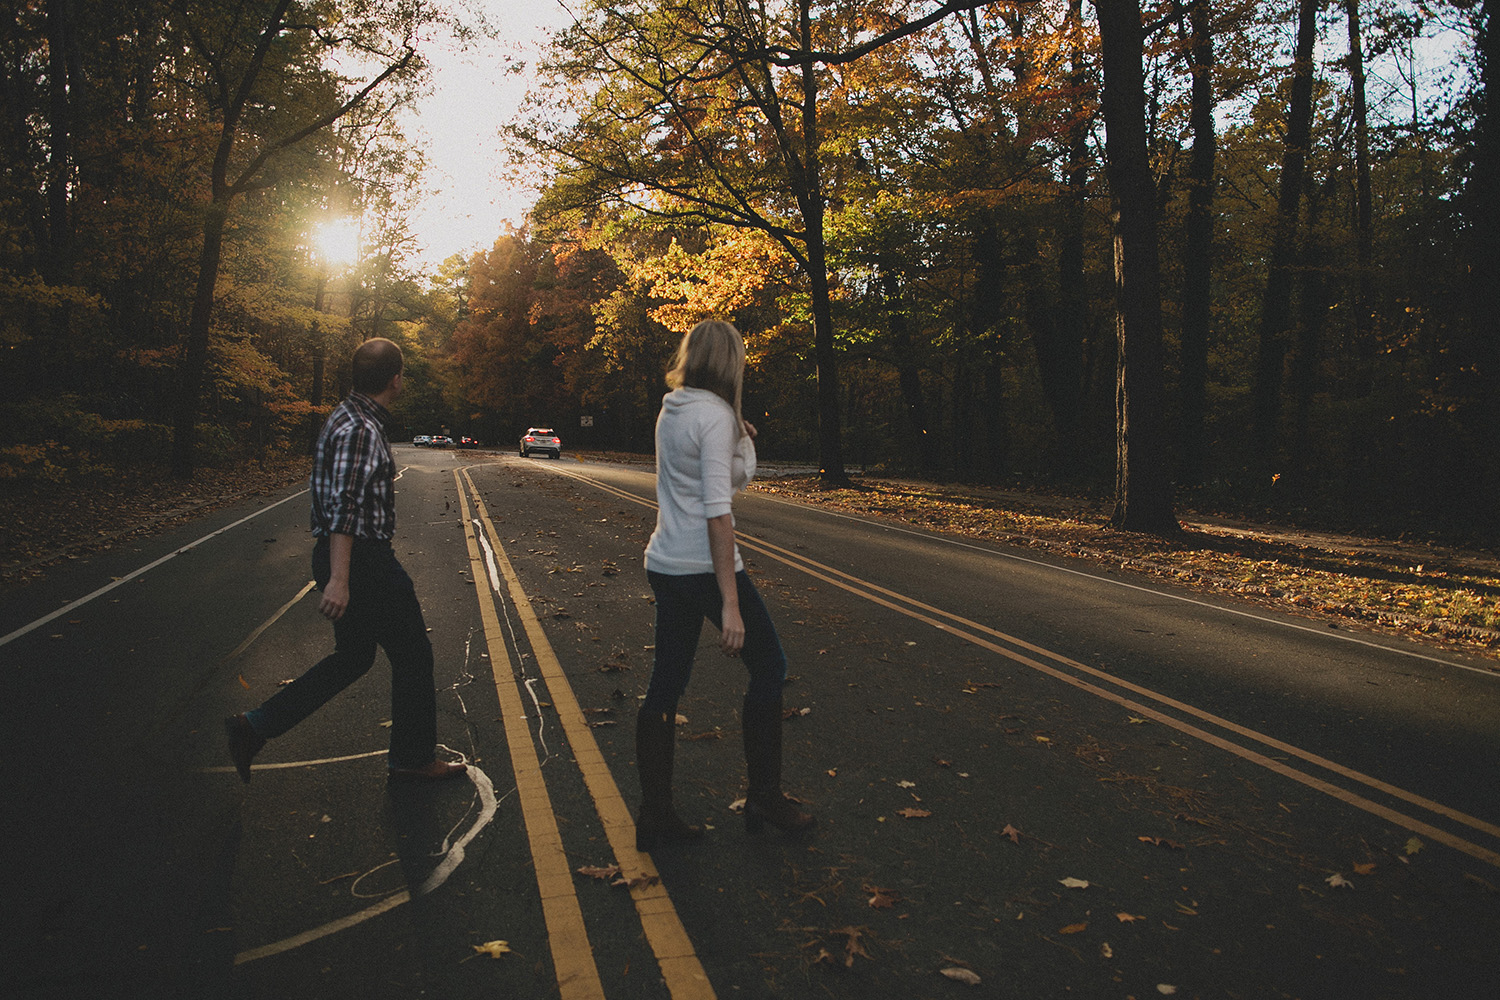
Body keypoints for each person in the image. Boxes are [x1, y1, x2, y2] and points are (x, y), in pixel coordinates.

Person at [225, 337, 466, 784]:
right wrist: (340, 578)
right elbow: (345, 506)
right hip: (363, 561)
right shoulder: (360, 429)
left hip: (353, 557)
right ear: (395, 379)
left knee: (354, 657)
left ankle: (254, 727)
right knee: (413, 653)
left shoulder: (346, 416)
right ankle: (413, 760)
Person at [636, 319, 814, 851]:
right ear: (730, 363)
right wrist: (731, 605)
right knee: (771, 666)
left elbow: (707, 481)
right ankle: (765, 796)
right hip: (703, 566)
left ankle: (656, 816)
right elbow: (717, 513)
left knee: (665, 686)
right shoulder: (713, 417)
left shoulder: (675, 408)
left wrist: (738, 442)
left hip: (666, 561)